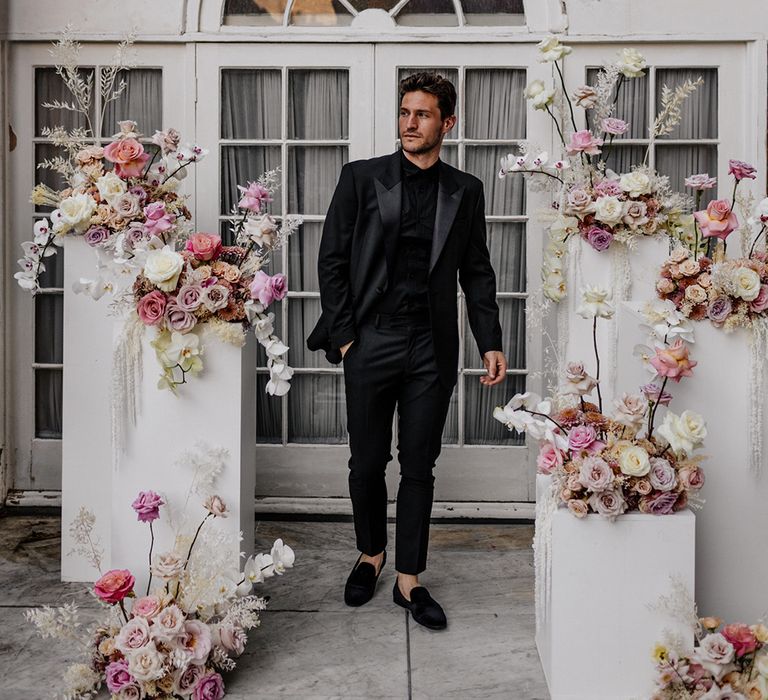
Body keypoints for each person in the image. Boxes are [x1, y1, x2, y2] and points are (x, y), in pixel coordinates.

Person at [307, 71, 506, 631]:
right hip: (371, 339)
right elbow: (332, 261)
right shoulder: (361, 178)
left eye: (421, 114)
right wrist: (347, 338)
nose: (408, 123)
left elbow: (477, 270)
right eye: (404, 112)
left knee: (419, 465)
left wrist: (488, 340)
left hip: (431, 348)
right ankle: (371, 556)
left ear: (448, 122)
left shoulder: (464, 189)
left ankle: (408, 579)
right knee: (368, 461)